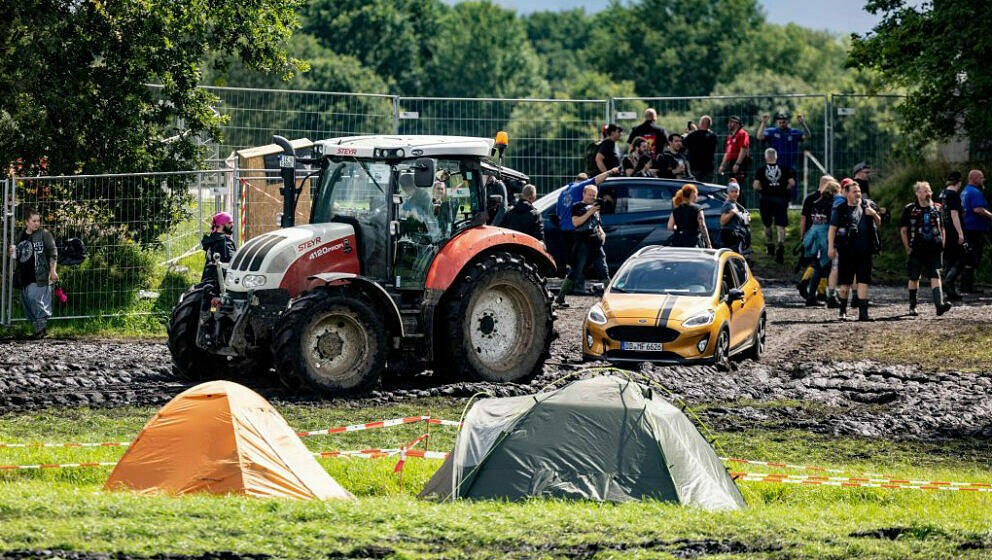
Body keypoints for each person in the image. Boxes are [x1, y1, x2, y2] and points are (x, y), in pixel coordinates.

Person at [828, 182, 882, 321]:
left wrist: (874, 213)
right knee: (845, 284)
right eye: (854, 191)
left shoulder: (867, 205)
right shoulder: (840, 209)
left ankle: (863, 314)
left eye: (858, 191)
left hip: (865, 250)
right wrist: (830, 247)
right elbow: (832, 229)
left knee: (863, 281)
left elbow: (879, 222)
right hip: (846, 251)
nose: (858, 194)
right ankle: (843, 311)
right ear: (847, 193)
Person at [554, 168, 620, 279]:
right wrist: (610, 172)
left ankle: (579, 287)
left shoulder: (564, 192)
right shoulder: (579, 189)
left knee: (580, 263)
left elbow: (558, 214)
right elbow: (596, 180)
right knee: (579, 264)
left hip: (566, 231)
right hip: (577, 231)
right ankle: (576, 288)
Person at [900, 181, 951, 316]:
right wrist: (907, 247)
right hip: (916, 248)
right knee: (914, 276)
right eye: (924, 191)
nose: (928, 193)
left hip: (934, 247)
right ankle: (912, 305)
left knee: (936, 274)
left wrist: (943, 244)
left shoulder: (938, 208)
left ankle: (939, 305)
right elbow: (904, 230)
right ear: (917, 193)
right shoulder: (910, 209)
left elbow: (943, 228)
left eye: (929, 190)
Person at [555, 184, 610, 306]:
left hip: (596, 242)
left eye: (594, 195)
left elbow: (597, 223)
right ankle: (560, 298)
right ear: (584, 194)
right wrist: (590, 211)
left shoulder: (595, 207)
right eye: (590, 195)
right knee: (576, 270)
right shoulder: (577, 206)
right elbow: (576, 222)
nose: (592, 197)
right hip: (582, 243)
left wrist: (602, 232)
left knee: (603, 269)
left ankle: (610, 299)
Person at [8, 206, 58, 339]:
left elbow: (53, 253)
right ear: (27, 222)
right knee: (28, 303)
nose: (37, 223)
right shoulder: (21, 235)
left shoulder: (44, 234)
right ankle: (38, 330)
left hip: (38, 275)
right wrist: (13, 252)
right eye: (34, 221)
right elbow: (19, 255)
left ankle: (41, 326)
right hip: (24, 275)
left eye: (38, 221)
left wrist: (53, 270)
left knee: (34, 298)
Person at [752, 147, 796, 264]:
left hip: (766, 199)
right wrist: (784, 190)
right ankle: (780, 244)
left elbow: (756, 186)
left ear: (766, 157)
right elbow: (792, 183)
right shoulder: (785, 169)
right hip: (781, 199)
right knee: (781, 224)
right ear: (776, 157)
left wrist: (764, 190)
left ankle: (770, 246)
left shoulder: (761, 170)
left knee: (767, 223)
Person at [796, 175, 836, 300]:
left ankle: (810, 285)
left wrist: (803, 235)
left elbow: (803, 218)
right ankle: (820, 291)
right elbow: (804, 218)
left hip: (811, 234)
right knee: (821, 264)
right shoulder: (828, 199)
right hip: (822, 236)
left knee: (815, 262)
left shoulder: (810, 198)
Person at [960, 169, 992, 293]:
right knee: (973, 257)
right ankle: (967, 286)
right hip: (974, 229)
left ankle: (965, 285)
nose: (983, 180)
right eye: (981, 178)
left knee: (968, 256)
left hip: (966, 228)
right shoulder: (974, 192)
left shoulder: (965, 191)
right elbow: (978, 209)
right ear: (974, 179)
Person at [938, 171, 966, 300]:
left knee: (950, 258)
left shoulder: (942, 193)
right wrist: (960, 233)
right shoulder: (954, 194)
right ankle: (948, 282)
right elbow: (954, 215)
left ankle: (950, 290)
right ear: (958, 182)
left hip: (943, 229)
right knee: (962, 257)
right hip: (953, 230)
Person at [201, 211, 237, 286]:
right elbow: (233, 263)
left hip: (207, 279)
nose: (232, 225)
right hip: (221, 283)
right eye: (229, 223)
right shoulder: (225, 242)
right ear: (221, 225)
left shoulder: (212, 239)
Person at [720, 180, 751, 259]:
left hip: (734, 234)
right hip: (729, 234)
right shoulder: (728, 204)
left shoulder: (734, 204)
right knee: (733, 256)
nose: (734, 194)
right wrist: (731, 213)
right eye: (732, 192)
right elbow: (722, 222)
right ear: (728, 193)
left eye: (736, 191)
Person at [684, 116, 718, 183]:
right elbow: (705, 135)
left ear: (700, 123)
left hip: (695, 167)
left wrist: (689, 133)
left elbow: (684, 144)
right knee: (707, 186)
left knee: (695, 186)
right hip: (708, 167)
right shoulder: (713, 136)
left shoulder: (692, 135)